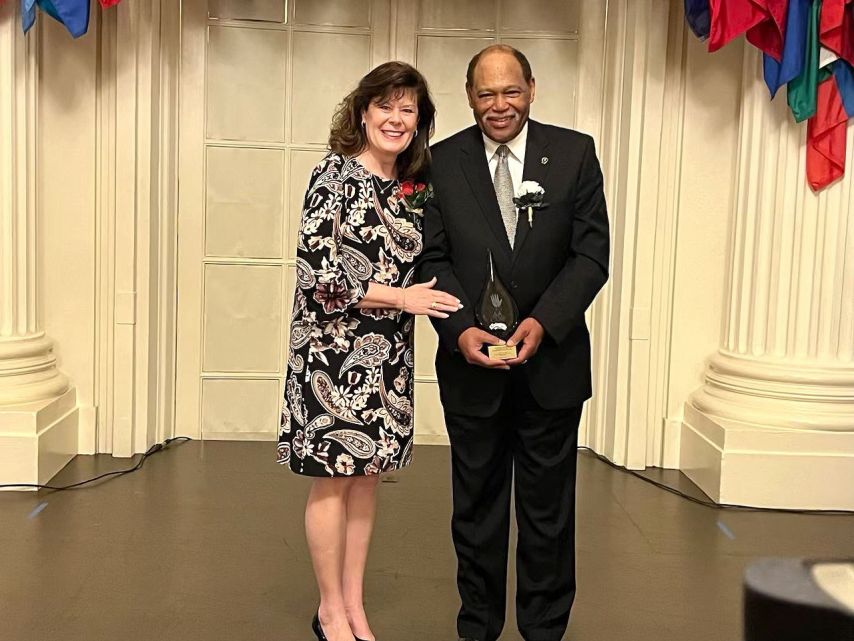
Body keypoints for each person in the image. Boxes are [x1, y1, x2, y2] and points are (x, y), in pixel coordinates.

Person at [418, 45, 610, 641]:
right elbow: (431, 257)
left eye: (511, 91)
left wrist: (545, 321)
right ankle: (477, 626)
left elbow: (590, 255)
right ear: (469, 95)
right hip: (472, 368)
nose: (499, 105)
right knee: (475, 510)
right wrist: (458, 329)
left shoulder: (575, 154)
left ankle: (545, 628)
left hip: (551, 365)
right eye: (486, 93)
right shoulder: (439, 162)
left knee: (548, 514)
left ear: (531, 87)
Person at [278, 61, 460, 641]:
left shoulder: (416, 187)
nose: (396, 118)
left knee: (367, 478)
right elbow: (318, 274)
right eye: (386, 106)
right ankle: (329, 609)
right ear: (363, 112)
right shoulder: (332, 175)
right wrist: (401, 299)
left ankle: (354, 605)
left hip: (387, 360)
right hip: (330, 352)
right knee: (332, 479)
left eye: (408, 110)